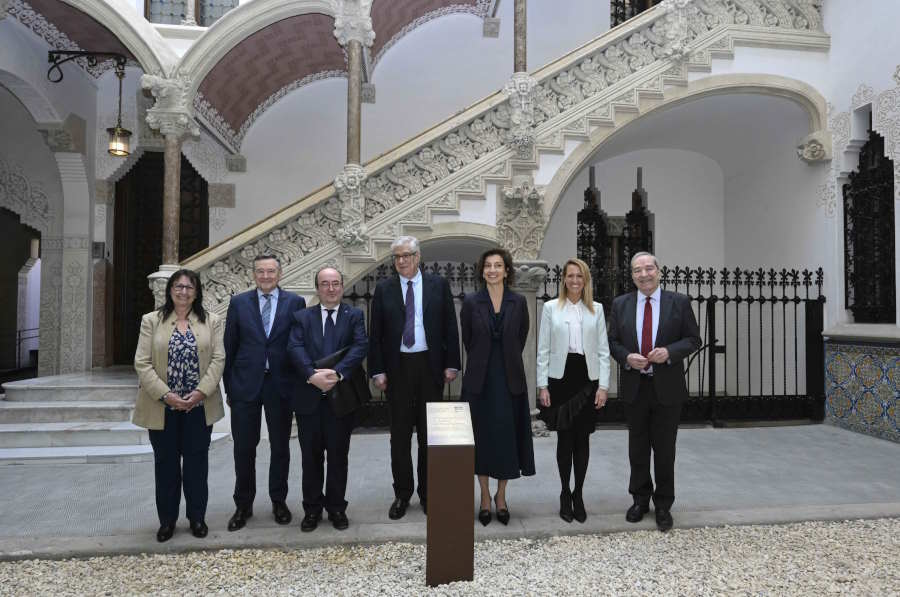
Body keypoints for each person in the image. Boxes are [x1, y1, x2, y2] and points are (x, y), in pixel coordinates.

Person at [368, 235, 461, 519]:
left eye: (406, 255)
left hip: (429, 367)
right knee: (399, 436)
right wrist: (377, 370)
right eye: (397, 257)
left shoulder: (437, 285)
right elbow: (377, 333)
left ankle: (428, 493)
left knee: (428, 435)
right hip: (398, 368)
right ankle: (402, 494)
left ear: (418, 257)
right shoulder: (383, 289)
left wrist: (452, 364)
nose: (401, 261)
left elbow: (449, 326)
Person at [607, 252, 701, 532]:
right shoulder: (621, 304)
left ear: (659, 271)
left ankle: (663, 504)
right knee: (637, 448)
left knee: (664, 449)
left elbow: (693, 338)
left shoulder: (679, 302)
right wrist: (626, 357)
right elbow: (612, 341)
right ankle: (639, 500)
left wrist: (669, 352)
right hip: (636, 387)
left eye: (649, 268)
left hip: (667, 389)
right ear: (632, 275)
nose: (644, 274)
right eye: (638, 270)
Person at [133, 269, 225, 543]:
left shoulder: (212, 321)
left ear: (197, 292)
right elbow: (142, 362)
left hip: (199, 406)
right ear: (170, 290)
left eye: (189, 287)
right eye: (178, 286)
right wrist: (166, 395)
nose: (183, 292)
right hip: (162, 407)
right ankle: (168, 521)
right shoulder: (151, 320)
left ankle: (197, 518)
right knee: (166, 466)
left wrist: (200, 392)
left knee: (197, 465)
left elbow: (218, 359)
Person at [222, 255, 306, 531]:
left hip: (280, 385)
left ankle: (278, 501)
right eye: (261, 271)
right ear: (254, 274)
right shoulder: (238, 303)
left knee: (281, 447)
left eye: (271, 271)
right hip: (245, 384)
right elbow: (230, 347)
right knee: (244, 448)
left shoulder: (295, 303)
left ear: (279, 274)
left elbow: (298, 347)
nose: (266, 276)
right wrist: (230, 388)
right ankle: (243, 505)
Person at [287, 267, 367, 532]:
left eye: (335, 283)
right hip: (309, 398)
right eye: (325, 284)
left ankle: (336, 508)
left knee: (337, 456)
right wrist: (311, 375)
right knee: (310, 458)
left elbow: (359, 346)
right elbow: (294, 347)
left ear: (342, 286)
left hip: (341, 398)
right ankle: (311, 510)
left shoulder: (354, 315)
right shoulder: (301, 317)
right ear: (317, 288)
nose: (330, 289)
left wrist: (338, 373)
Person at [460, 248, 534, 526]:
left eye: (498, 265)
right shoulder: (470, 302)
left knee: (505, 440)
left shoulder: (518, 302)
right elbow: (468, 339)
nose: (492, 270)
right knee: (480, 439)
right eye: (488, 265)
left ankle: (501, 496)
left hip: (509, 380)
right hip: (479, 381)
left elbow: (521, 336)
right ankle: (483, 496)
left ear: (506, 270)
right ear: (482, 271)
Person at [537, 257, 610, 524]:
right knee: (564, 439)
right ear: (564, 279)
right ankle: (564, 493)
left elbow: (603, 350)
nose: (575, 281)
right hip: (561, 378)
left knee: (583, 439)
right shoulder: (550, 308)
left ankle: (579, 494)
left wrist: (603, 386)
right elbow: (543, 348)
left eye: (579, 276)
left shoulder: (597, 310)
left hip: (587, 378)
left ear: (585, 280)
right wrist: (542, 384)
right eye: (570, 276)